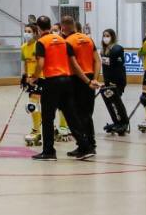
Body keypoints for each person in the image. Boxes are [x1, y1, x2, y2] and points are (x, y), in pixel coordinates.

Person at [28, 15, 97, 161]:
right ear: (50, 26)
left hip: (52, 82)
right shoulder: (62, 40)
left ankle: (49, 151)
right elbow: (72, 61)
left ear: (38, 29)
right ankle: (85, 146)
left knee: (48, 117)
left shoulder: (41, 42)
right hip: (67, 81)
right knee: (71, 115)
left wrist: (33, 77)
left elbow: (41, 63)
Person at [60, 16, 99, 158]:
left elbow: (74, 65)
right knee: (87, 113)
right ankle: (90, 144)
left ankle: (85, 146)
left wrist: (86, 81)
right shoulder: (88, 39)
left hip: (77, 79)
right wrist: (94, 79)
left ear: (64, 27)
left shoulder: (68, 42)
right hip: (90, 76)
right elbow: (97, 61)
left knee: (76, 114)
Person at [99, 29, 129, 136]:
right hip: (108, 81)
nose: (105, 38)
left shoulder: (117, 49)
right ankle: (117, 121)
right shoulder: (103, 50)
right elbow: (105, 68)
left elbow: (120, 68)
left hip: (117, 81)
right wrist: (106, 81)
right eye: (104, 35)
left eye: (107, 35)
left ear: (112, 37)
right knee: (110, 103)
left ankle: (123, 122)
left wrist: (116, 82)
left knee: (117, 102)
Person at [22, 23, 44, 146]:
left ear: (35, 33)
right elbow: (26, 63)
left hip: (41, 78)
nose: (26, 34)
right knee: (33, 105)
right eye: (25, 31)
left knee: (34, 104)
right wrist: (25, 76)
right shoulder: (23, 47)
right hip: (31, 79)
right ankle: (37, 129)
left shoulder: (38, 45)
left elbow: (41, 63)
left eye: (29, 31)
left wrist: (35, 76)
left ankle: (37, 130)